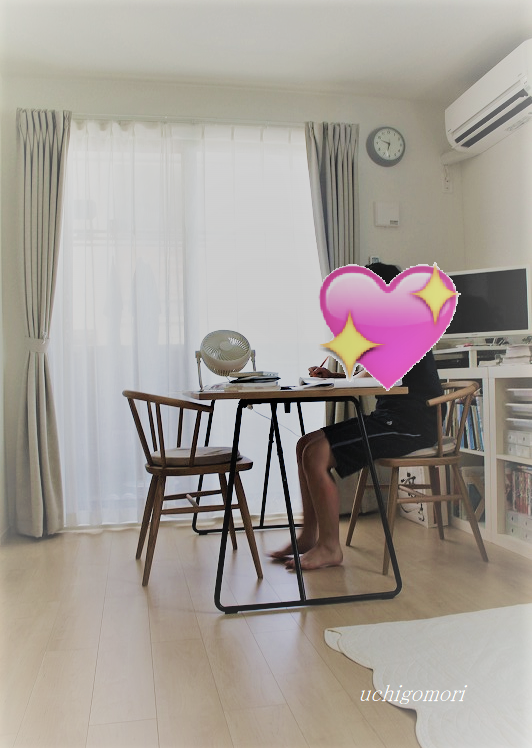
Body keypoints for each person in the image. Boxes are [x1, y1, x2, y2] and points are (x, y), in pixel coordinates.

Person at [270, 262, 444, 570]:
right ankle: (309, 536)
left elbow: (382, 373)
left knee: (316, 454)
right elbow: (373, 374)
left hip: (411, 426)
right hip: (389, 418)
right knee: (305, 445)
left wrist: (344, 375)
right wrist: (335, 376)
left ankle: (329, 547)